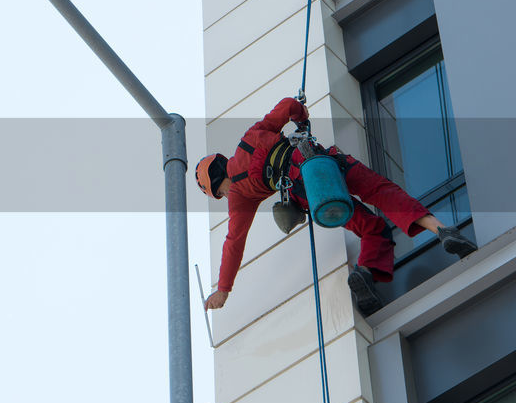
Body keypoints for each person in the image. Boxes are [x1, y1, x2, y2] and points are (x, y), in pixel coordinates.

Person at [195, 96, 477, 313]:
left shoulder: (240, 199)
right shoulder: (251, 136)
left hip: (312, 193)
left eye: (220, 193)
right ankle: (442, 230)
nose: (225, 194)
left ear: (216, 188)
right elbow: (289, 104)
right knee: (382, 192)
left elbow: (234, 242)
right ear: (222, 161)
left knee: (371, 228)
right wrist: (301, 119)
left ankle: (364, 273)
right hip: (322, 163)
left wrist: (224, 289)